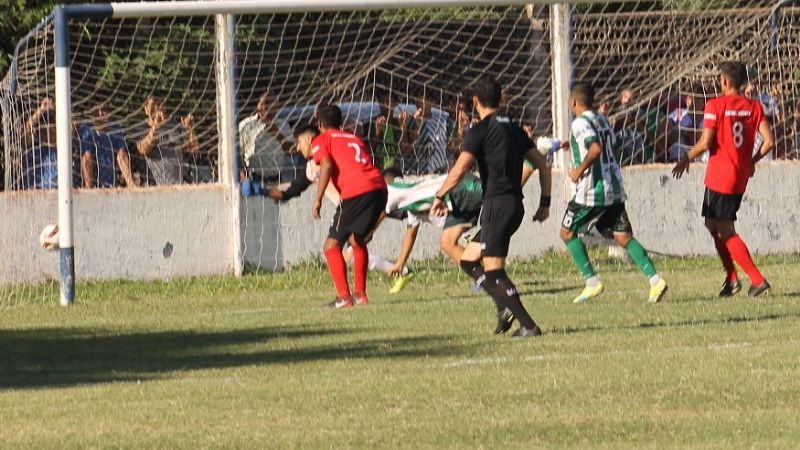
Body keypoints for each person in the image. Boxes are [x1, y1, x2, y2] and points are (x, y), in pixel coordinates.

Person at [431, 77, 551, 338]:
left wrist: (440, 195)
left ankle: (529, 326)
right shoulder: (516, 130)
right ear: (502, 98)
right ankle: (503, 307)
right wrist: (545, 202)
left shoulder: (480, 131)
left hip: (497, 205)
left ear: (475, 101)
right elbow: (543, 165)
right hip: (513, 205)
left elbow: (460, 169)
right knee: (467, 260)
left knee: (494, 270)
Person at [559, 82, 668, 304]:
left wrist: (578, 170)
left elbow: (595, 148)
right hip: (614, 186)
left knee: (567, 232)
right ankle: (655, 280)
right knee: (623, 236)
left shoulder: (580, 123)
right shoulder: (601, 119)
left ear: (573, 102)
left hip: (592, 190)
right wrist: (570, 144)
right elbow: (605, 144)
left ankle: (592, 281)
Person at [672, 61, 774, 298]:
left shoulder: (715, 105)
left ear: (725, 81)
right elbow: (769, 141)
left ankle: (757, 280)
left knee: (726, 229)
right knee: (712, 223)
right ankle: (731, 278)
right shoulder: (754, 107)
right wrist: (751, 161)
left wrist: (686, 157)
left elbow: (706, 142)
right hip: (739, 176)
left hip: (720, 176)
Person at [311, 105, 388, 308]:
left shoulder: (321, 139)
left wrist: (318, 199)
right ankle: (360, 295)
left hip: (357, 191)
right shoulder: (353, 138)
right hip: (379, 188)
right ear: (341, 122)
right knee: (357, 239)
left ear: (319, 124)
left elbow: (326, 165)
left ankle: (344, 298)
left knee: (331, 246)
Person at [133, 96, 198, 186]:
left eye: (159, 104)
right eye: (153, 105)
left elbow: (193, 149)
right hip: (153, 186)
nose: (157, 108)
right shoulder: (141, 127)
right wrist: (155, 127)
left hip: (178, 184)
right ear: (146, 110)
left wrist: (190, 130)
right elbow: (143, 149)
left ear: (165, 107)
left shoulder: (175, 125)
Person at [238, 91, 295, 183]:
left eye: (270, 104)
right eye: (263, 104)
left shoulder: (283, 125)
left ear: (277, 107)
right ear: (258, 105)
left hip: (277, 178)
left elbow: (292, 151)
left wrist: (276, 133)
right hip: (253, 177)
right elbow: (238, 153)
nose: (265, 108)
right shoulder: (247, 125)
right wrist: (244, 176)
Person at [78, 102, 138, 188]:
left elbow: (121, 154)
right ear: (90, 113)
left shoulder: (116, 129)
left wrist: (130, 182)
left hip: (111, 180)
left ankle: (131, 185)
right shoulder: (86, 130)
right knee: (87, 157)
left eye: (103, 110)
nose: (100, 113)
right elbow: (87, 157)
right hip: (92, 179)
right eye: (96, 111)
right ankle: (89, 188)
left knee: (122, 155)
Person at [21, 97, 58, 189]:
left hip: (54, 194)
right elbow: (28, 128)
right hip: (33, 194)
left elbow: (71, 129)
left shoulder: (57, 149)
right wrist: (41, 109)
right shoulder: (32, 146)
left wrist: (59, 109)